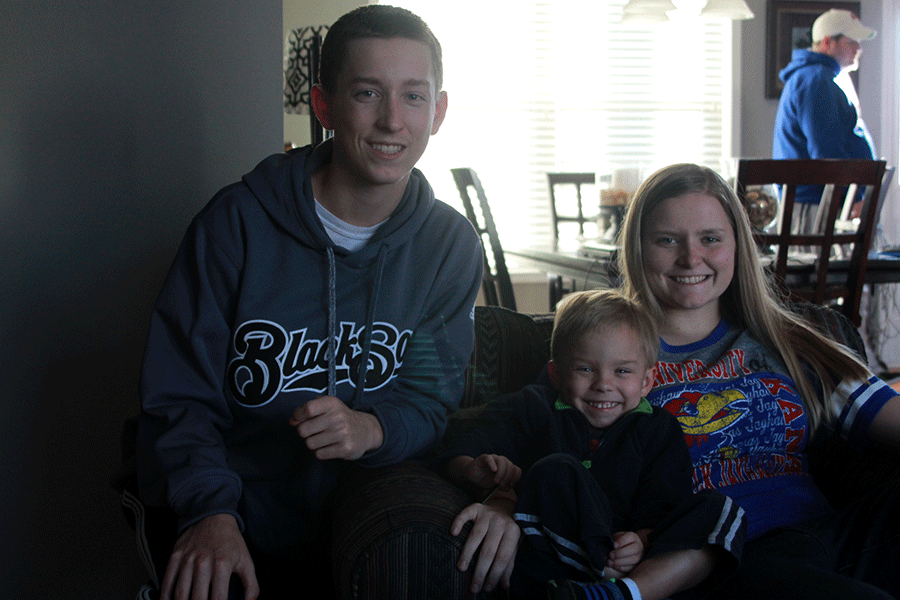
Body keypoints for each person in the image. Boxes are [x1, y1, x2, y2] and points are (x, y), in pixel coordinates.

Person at [134, 5, 483, 600]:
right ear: (324, 105)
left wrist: (372, 427)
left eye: (414, 97)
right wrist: (210, 514)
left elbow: (431, 400)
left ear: (439, 111)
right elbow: (179, 397)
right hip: (234, 504)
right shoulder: (236, 224)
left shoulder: (447, 245)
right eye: (367, 93)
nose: (393, 121)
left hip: (365, 516)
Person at [619, 162, 900, 599]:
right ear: (638, 248)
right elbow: (538, 440)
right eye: (666, 240)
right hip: (719, 561)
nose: (690, 258)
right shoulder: (605, 355)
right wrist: (504, 503)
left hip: (824, 538)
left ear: (737, 247)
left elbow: (886, 412)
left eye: (710, 239)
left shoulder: (790, 343)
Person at [435, 289, 745, 600]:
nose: (604, 384)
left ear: (647, 381)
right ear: (556, 374)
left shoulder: (658, 429)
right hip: (555, 561)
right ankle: (605, 584)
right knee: (554, 469)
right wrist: (476, 470)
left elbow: (664, 502)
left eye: (622, 371)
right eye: (585, 369)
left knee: (720, 509)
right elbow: (457, 448)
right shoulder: (533, 408)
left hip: (632, 563)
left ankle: (618, 593)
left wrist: (641, 539)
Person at [772, 8, 877, 231]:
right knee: (821, 266)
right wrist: (854, 195)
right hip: (817, 207)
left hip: (822, 203)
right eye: (852, 41)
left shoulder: (820, 77)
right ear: (828, 43)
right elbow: (827, 152)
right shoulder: (816, 81)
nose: (858, 48)